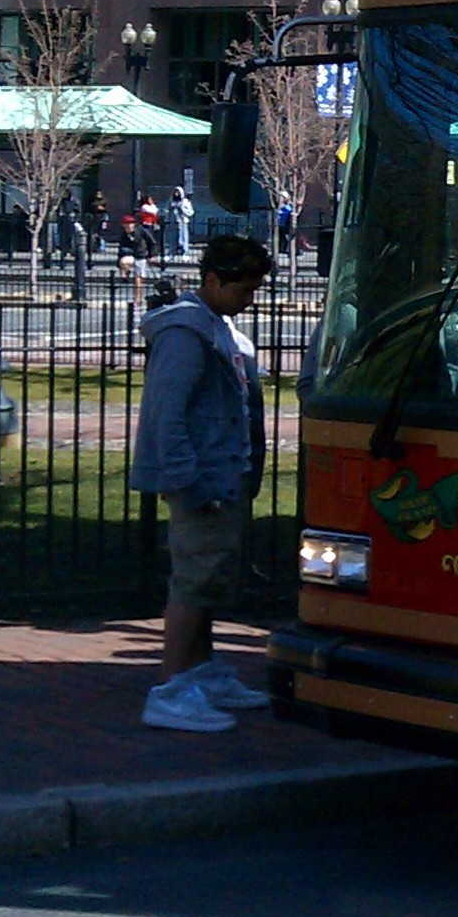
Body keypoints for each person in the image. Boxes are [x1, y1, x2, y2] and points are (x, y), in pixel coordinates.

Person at [132, 234, 273, 732]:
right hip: (203, 481)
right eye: (242, 289)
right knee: (193, 582)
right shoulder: (185, 335)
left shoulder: (219, 330)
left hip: (223, 476)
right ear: (212, 280)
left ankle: (201, 672)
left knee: (211, 579)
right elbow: (165, 418)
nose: (249, 299)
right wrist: (188, 482)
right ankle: (171, 687)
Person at [167, 187, 194, 259]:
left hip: (183, 222)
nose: (176, 194)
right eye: (175, 192)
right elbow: (168, 210)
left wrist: (182, 209)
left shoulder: (185, 201)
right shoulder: (171, 201)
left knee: (184, 237)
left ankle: (184, 253)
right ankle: (171, 253)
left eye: (178, 192)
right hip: (174, 222)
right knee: (173, 237)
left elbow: (191, 212)